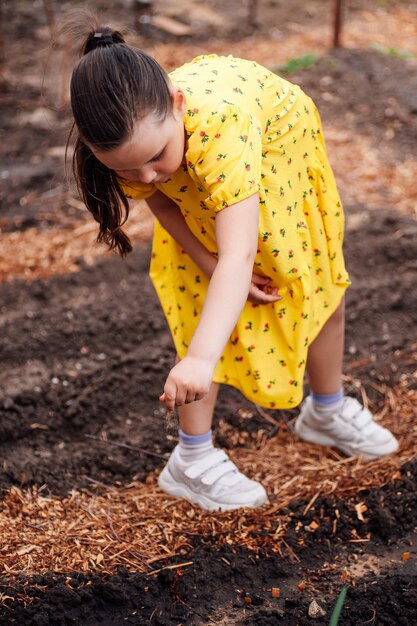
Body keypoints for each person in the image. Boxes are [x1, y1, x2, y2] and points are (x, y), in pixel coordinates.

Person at [68, 19, 399, 512]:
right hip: (213, 190)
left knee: (316, 292)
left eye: (156, 156)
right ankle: (192, 459)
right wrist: (204, 259)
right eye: (124, 170)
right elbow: (161, 200)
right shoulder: (136, 145)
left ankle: (326, 410)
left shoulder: (221, 126)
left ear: (178, 105)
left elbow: (241, 253)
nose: (144, 176)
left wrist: (202, 359)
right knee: (202, 307)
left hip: (278, 172)